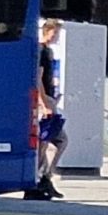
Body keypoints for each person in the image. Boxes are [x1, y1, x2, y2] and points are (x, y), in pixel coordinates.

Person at [26, 19, 66, 200]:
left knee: (54, 140)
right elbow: (38, 78)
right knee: (47, 141)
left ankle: (44, 177)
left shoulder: (48, 51)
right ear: (46, 31)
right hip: (44, 101)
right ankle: (39, 180)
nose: (56, 36)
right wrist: (43, 103)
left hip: (49, 99)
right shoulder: (41, 50)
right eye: (54, 33)